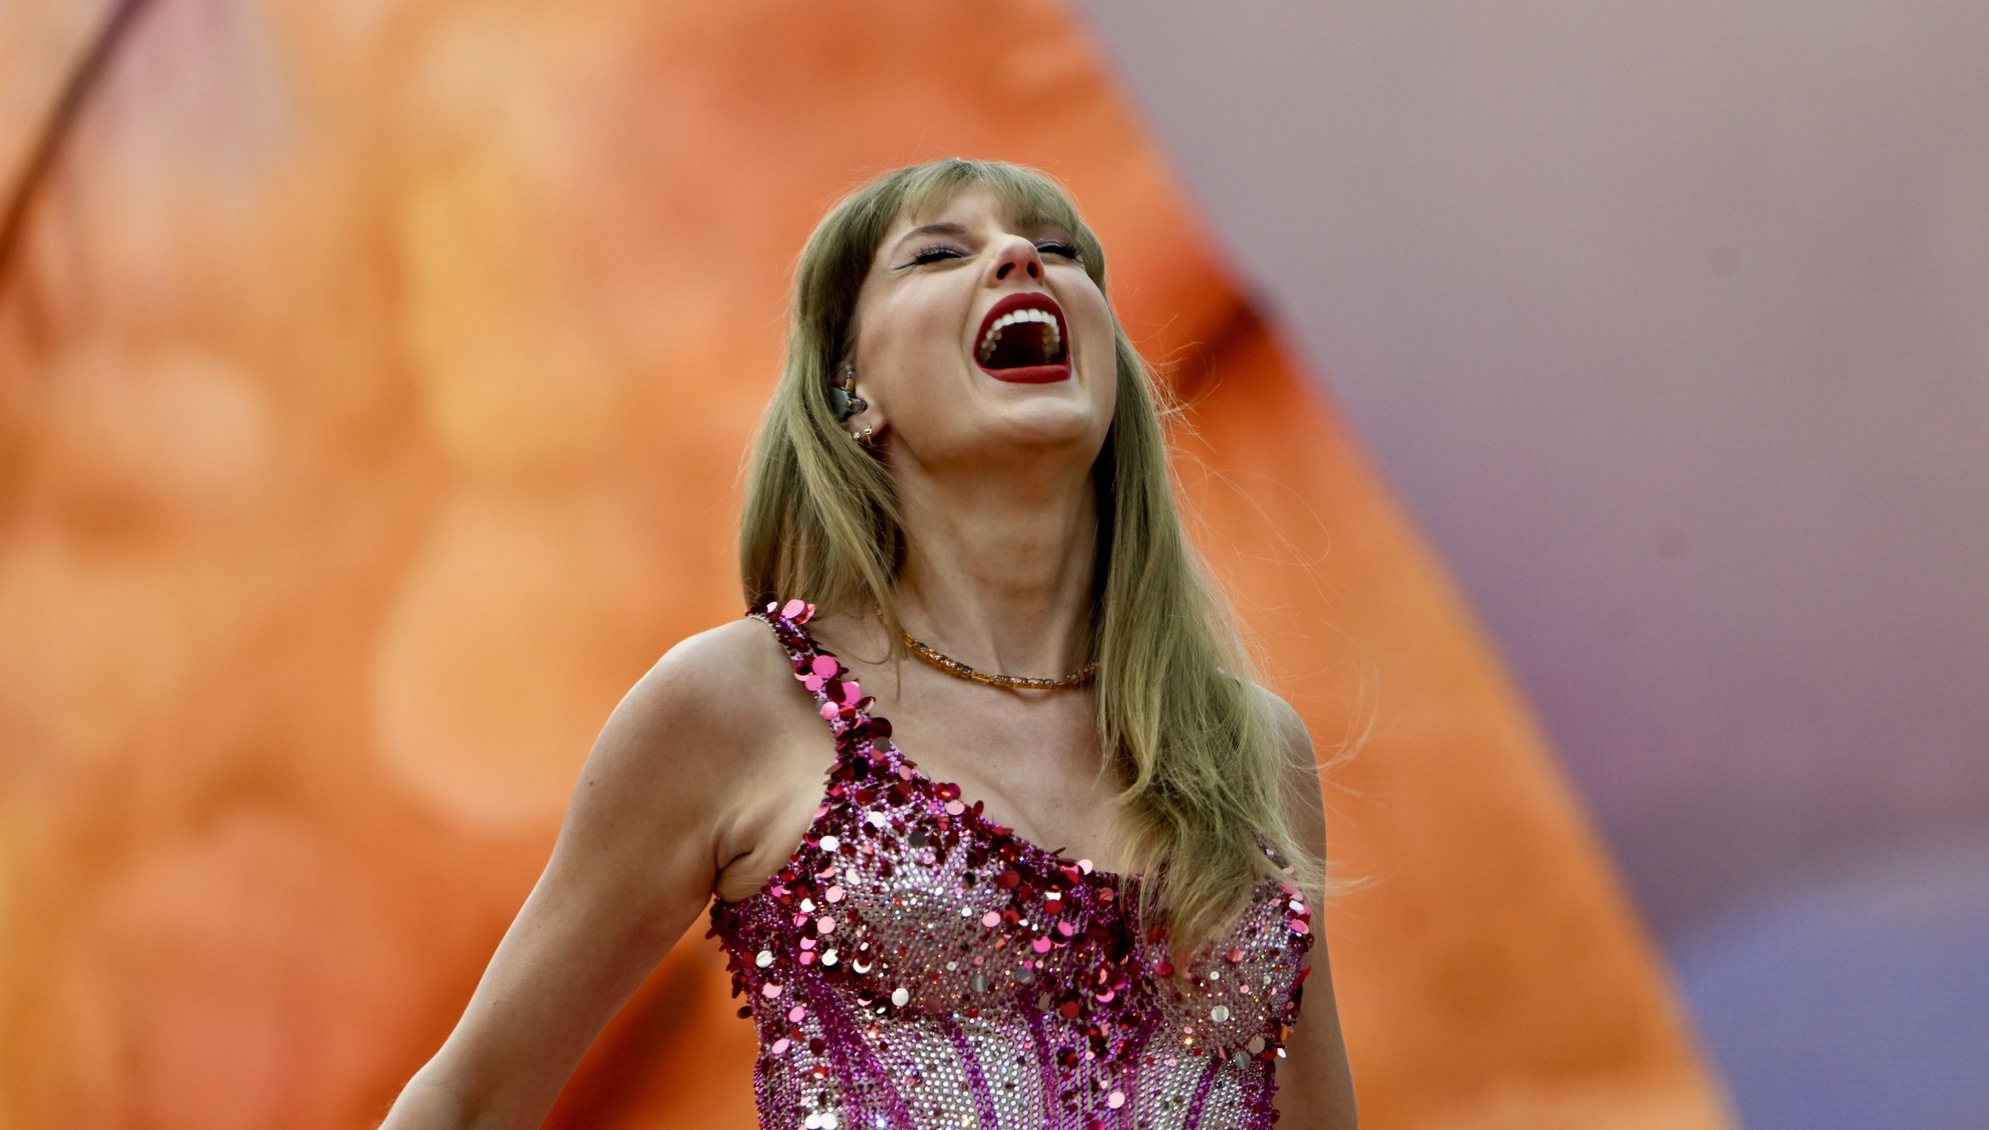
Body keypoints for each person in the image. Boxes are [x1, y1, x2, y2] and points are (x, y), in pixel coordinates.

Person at [381, 158, 1358, 1129]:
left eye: (1058, 250)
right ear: (851, 390)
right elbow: (468, 1099)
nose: (1020, 257)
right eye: (937, 254)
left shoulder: (1248, 749)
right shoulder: (740, 703)